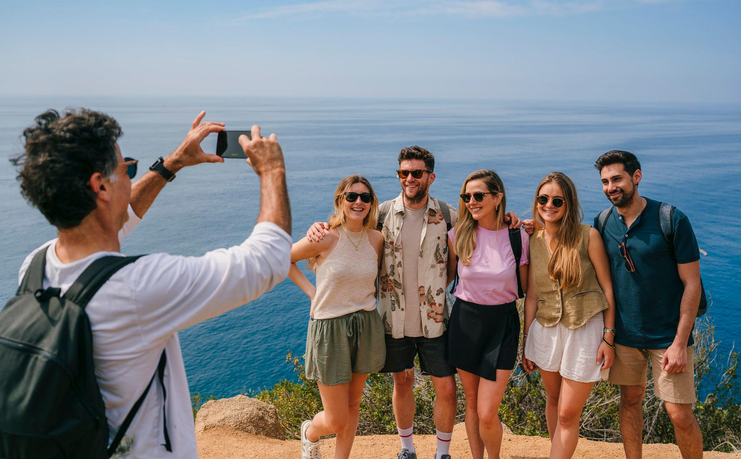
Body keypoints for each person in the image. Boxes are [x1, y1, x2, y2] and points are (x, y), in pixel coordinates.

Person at [10, 109, 291, 458]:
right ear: (100, 186)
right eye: (126, 167)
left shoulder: (34, 267)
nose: (131, 174)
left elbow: (112, 224)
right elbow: (266, 261)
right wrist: (272, 171)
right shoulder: (137, 288)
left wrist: (171, 163)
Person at [307, 146, 459, 459]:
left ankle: (442, 453)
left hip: (436, 318)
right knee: (402, 383)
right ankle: (407, 450)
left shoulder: (447, 214)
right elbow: (351, 233)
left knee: (446, 388)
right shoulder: (383, 215)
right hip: (393, 320)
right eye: (404, 173)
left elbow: (475, 235)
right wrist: (319, 227)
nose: (410, 179)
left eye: (417, 173)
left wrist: (513, 220)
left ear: (431, 176)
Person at [594, 150, 703, 459]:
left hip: (668, 337)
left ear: (636, 177)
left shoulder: (671, 219)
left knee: (679, 414)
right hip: (626, 335)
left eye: (617, 179)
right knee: (629, 401)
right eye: (604, 181)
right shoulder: (603, 222)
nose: (610, 187)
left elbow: (692, 284)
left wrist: (680, 342)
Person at [288, 174, 387, 459]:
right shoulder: (325, 236)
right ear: (340, 201)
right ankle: (310, 432)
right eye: (352, 196)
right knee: (336, 420)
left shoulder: (376, 239)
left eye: (365, 197)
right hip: (330, 329)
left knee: (354, 405)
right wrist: (311, 292)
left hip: (366, 325)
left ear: (372, 203)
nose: (359, 202)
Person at [521, 172, 616, 459]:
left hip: (584, 330)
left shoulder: (589, 236)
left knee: (567, 414)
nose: (549, 205)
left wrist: (609, 338)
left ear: (569, 203)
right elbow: (532, 296)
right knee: (552, 399)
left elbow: (608, 288)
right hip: (546, 329)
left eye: (557, 200)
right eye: (543, 199)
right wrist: (526, 341)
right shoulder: (532, 239)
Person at [446, 169, 529, 459]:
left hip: (502, 324)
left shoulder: (519, 236)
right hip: (465, 321)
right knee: (471, 402)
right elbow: (445, 276)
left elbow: (529, 287)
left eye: (479, 195)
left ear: (497, 198)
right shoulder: (457, 235)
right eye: (466, 196)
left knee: (487, 411)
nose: (471, 201)